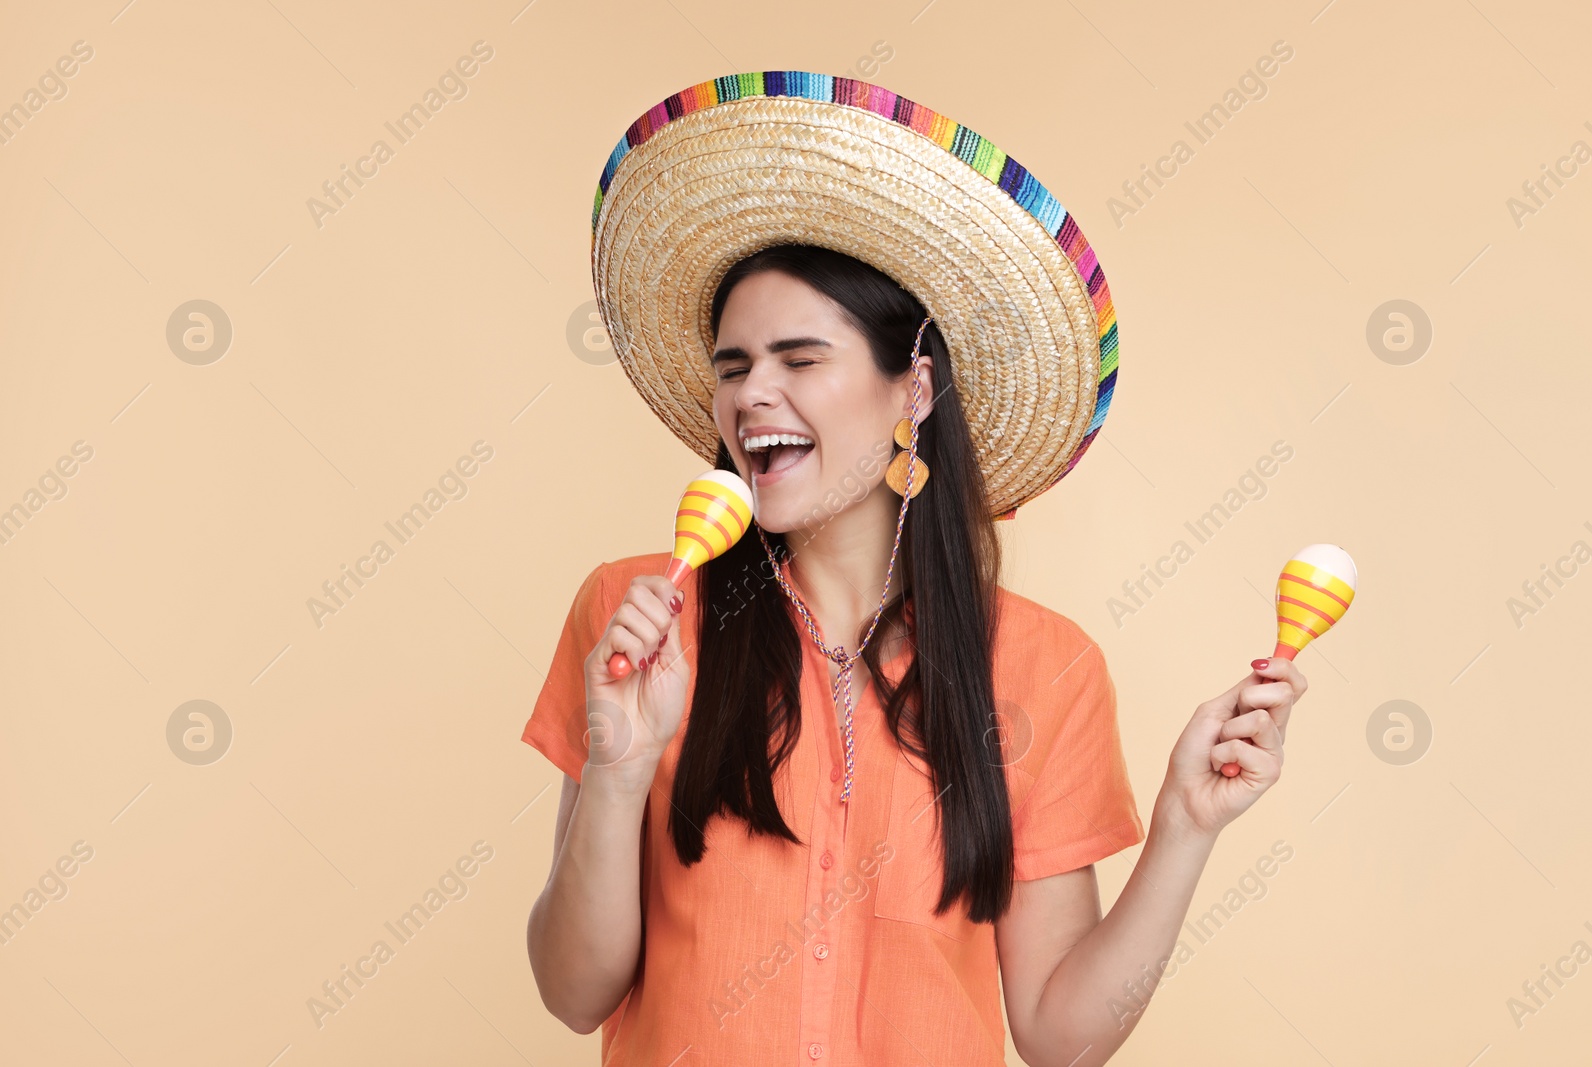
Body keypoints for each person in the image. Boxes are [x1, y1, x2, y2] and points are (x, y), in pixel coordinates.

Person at [523, 72, 1305, 1067]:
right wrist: (618, 772)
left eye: (799, 359)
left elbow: (1062, 1036)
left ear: (913, 390)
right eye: (732, 365)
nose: (751, 393)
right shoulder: (635, 614)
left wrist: (1186, 826)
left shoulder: (1047, 667)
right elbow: (571, 988)